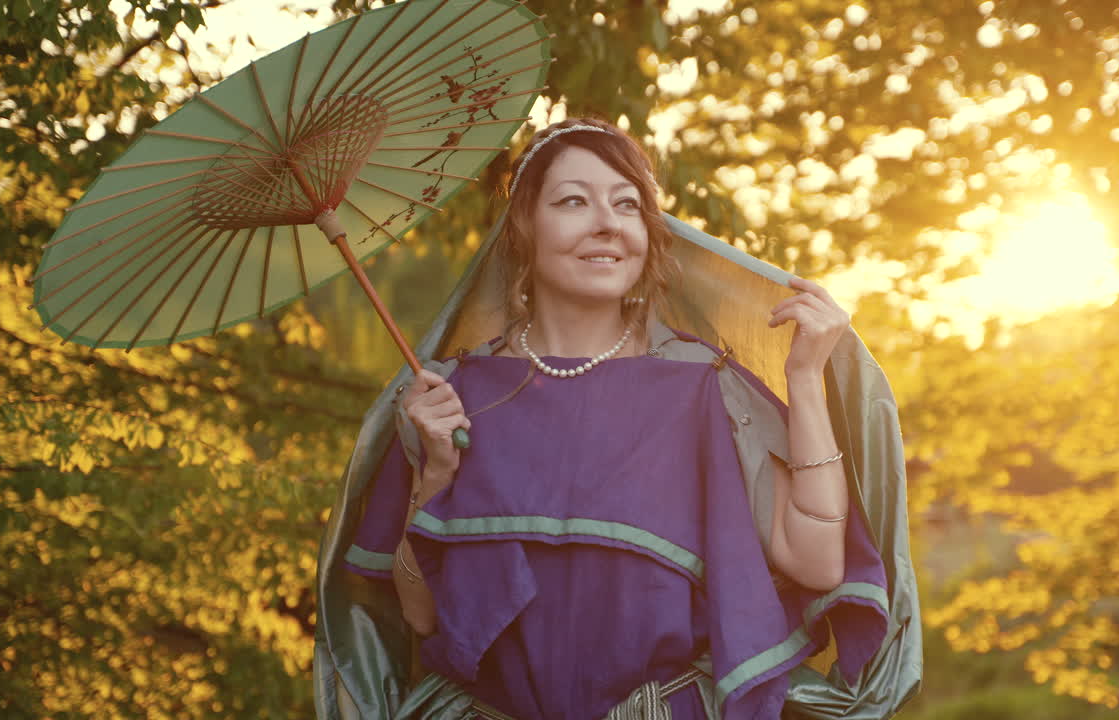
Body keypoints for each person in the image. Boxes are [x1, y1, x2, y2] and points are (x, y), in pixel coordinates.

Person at [325, 118, 902, 720]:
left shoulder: (702, 384)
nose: (607, 222)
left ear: (649, 234)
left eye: (627, 204)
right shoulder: (452, 395)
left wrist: (806, 380)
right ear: (522, 230)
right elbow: (421, 615)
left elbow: (816, 560)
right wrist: (436, 473)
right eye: (574, 201)